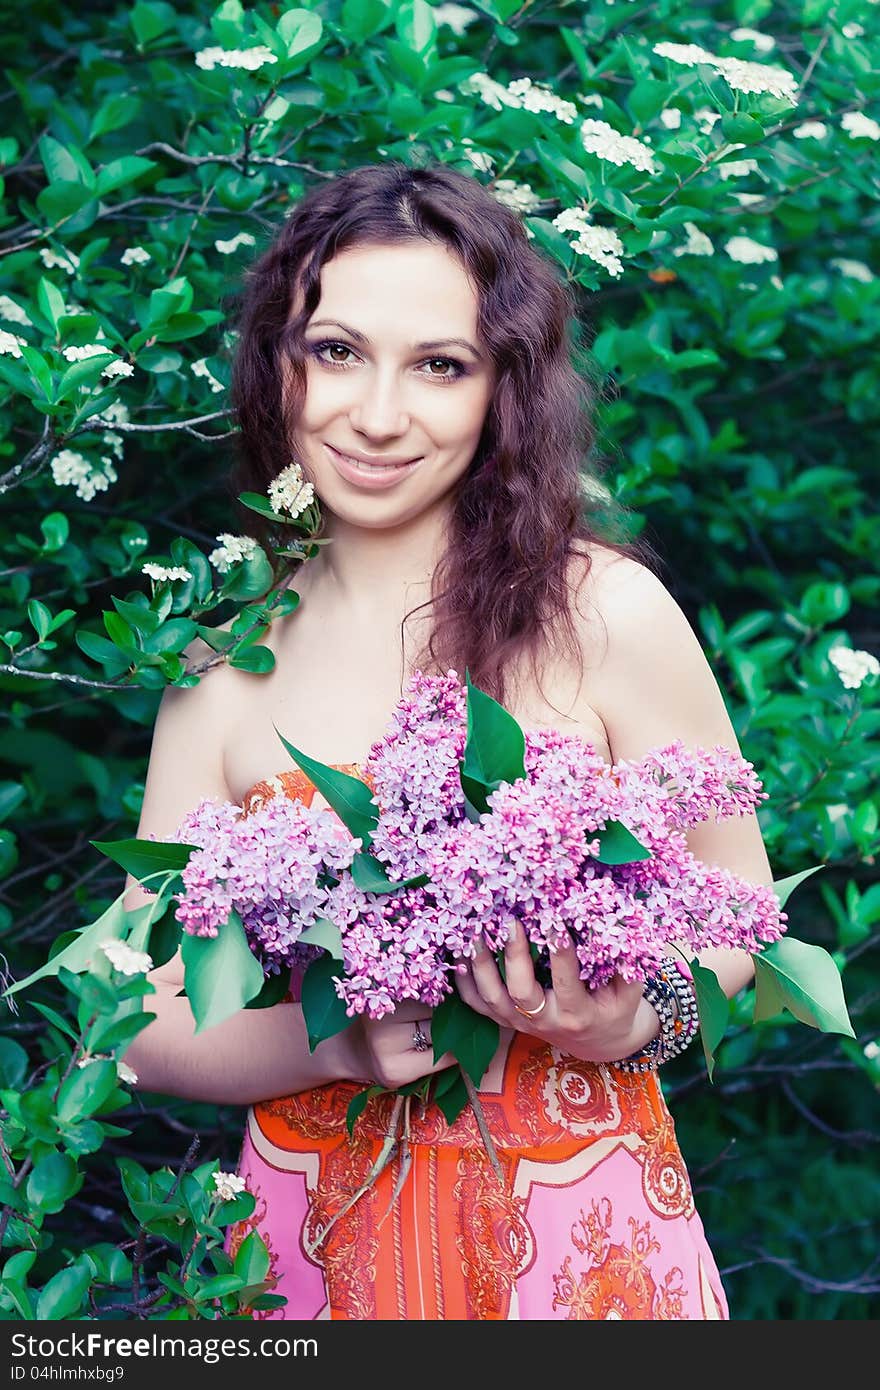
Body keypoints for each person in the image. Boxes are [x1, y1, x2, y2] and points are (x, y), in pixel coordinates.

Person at [124, 161, 772, 1321]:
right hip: (315, 1248)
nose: (376, 415)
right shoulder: (220, 669)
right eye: (334, 351)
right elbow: (143, 1020)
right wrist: (331, 1049)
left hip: (586, 1247)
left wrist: (630, 1019)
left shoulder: (606, 613)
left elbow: (740, 913)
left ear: (502, 390)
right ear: (277, 362)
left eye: (439, 365)